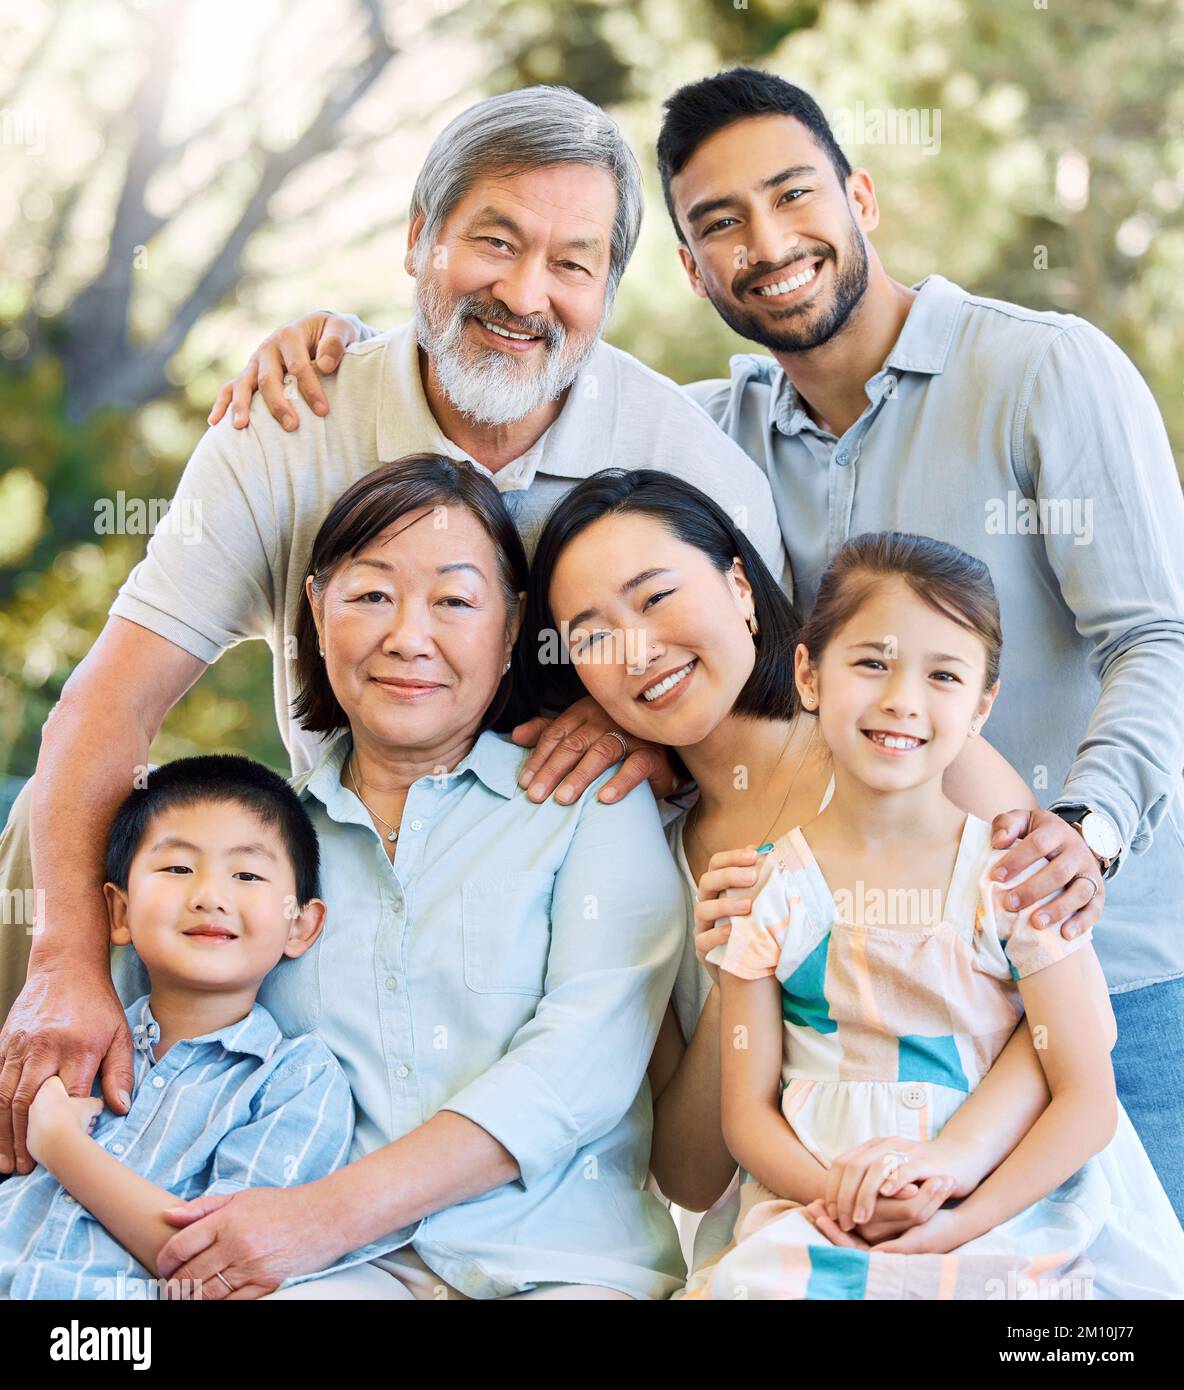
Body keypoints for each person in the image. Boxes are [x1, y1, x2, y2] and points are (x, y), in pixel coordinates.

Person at [248, 65, 1184, 1216]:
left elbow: (1158, 635)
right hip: (841, 1096)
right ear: (689, 270)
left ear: (861, 196)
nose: (769, 242)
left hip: (1102, 957)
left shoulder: (1039, 370)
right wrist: (349, 349)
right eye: (719, 225)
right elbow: (526, 433)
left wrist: (1083, 832)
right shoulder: (702, 435)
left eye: (793, 196)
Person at [0, 82, 785, 1166]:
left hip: (571, 858)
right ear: (418, 239)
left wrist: (654, 732)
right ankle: (42, 1162)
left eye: (570, 264)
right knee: (48, 829)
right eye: (491, 242)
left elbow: (768, 693)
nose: (523, 292)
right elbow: (110, 699)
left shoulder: (680, 458)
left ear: (608, 286)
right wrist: (66, 958)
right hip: (349, 854)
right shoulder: (290, 416)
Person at [110, 454, 686, 1300]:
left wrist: (326, 1215)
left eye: (454, 601)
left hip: (564, 1267)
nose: (408, 637)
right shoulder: (254, 852)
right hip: (337, 1277)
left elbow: (583, 1064)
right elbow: (156, 1045)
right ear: (314, 609)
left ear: (510, 624)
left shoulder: (592, 802)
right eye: (371, 595)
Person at [523, 469, 1083, 1275]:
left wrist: (951, 1172)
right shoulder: (641, 858)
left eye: (655, 598)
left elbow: (1058, 1021)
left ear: (741, 587)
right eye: (592, 635)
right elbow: (690, 1176)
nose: (637, 652)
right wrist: (738, 969)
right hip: (801, 1240)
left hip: (1007, 1210)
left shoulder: (905, 744)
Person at [677, 531, 1184, 1299]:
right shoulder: (767, 890)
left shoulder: (1015, 882)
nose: (901, 701)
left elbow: (1086, 1097)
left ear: (981, 706)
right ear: (810, 675)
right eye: (872, 662)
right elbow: (746, 1114)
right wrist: (838, 1194)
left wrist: (959, 1218)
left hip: (1001, 1216)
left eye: (943, 675)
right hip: (818, 1216)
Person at [0, 754, 389, 1299]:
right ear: (119, 912)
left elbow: (218, 1261)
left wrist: (60, 1142)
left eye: (248, 875)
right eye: (178, 868)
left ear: (301, 925)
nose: (210, 895)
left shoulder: (294, 1082)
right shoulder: (69, 1040)